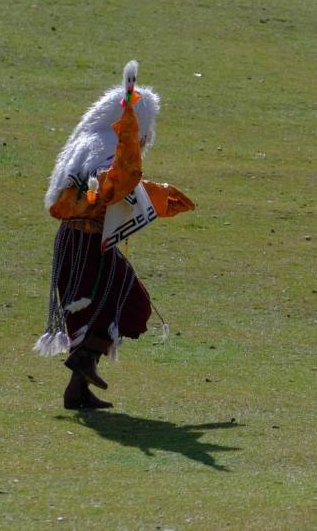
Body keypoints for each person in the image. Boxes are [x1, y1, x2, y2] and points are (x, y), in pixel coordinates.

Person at [35, 61, 196, 410]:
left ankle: (76, 392)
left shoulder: (94, 143)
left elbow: (116, 189)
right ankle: (82, 364)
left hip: (80, 242)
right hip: (87, 245)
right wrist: (128, 145)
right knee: (132, 305)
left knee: (99, 310)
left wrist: (156, 195)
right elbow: (112, 187)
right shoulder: (108, 144)